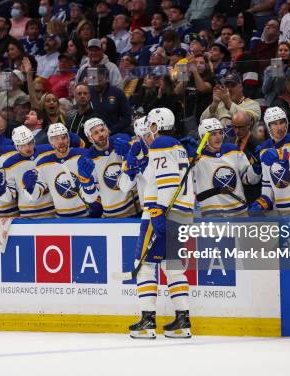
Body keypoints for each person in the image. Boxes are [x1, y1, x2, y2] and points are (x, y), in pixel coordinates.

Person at [128, 107, 194, 339]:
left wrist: (158, 214)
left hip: (161, 214)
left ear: (155, 126)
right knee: (173, 266)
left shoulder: (160, 144)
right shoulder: (178, 146)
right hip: (181, 214)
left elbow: (167, 183)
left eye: (150, 126)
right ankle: (182, 321)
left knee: (144, 264)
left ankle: (147, 323)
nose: (149, 131)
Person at [22, 123, 94, 217]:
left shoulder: (82, 155)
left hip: (85, 216)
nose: (61, 141)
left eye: (64, 137)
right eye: (56, 139)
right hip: (60, 219)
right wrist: (30, 188)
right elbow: (35, 196)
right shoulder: (43, 163)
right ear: (50, 142)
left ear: (68, 138)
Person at [193, 118, 261, 216]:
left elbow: (250, 179)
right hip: (213, 216)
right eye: (213, 134)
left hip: (239, 212)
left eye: (220, 133)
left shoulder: (233, 150)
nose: (218, 137)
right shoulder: (197, 159)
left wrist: (256, 167)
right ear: (204, 137)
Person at [0, 126, 54, 219]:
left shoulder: (48, 151)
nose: (27, 148)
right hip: (28, 214)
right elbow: (9, 197)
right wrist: (0, 188)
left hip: (52, 210)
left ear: (34, 141)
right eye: (22, 145)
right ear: (16, 146)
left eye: (29, 143)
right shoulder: (10, 164)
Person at [81, 117, 137, 217]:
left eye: (102, 130)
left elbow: (141, 169)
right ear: (90, 138)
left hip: (136, 210)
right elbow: (90, 199)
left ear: (107, 131)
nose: (101, 135)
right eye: (96, 133)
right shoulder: (88, 160)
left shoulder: (122, 141)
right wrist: (86, 182)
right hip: (112, 216)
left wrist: (130, 153)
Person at [88, 67, 132, 135]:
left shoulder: (117, 93)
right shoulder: (89, 93)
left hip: (116, 133)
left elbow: (127, 118)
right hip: (94, 134)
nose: (96, 84)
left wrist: (111, 130)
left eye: (99, 81)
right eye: (94, 80)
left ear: (106, 79)